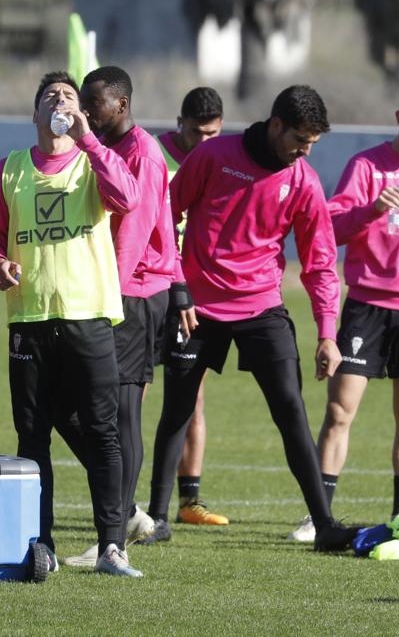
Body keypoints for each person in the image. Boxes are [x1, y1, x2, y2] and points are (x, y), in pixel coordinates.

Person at [145, 84, 357, 550]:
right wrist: (177, 287)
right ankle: (157, 519)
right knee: (176, 411)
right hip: (196, 309)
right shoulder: (214, 156)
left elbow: (320, 262)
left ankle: (324, 526)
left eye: (312, 145)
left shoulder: (303, 180)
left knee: (291, 411)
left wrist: (327, 333)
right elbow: (164, 217)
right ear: (276, 125)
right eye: (300, 140)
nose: (304, 151)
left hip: (262, 306)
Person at [0, 71, 143, 577]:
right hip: (29, 318)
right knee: (32, 437)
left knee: (102, 431)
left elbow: (129, 198)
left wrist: (89, 138)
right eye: (49, 96)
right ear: (34, 115)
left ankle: (112, 545)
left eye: (68, 96)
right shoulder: (11, 170)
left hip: (87, 315)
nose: (59, 100)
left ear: (82, 114)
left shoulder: (94, 162)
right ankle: (38, 544)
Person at [291, 83, 399, 542]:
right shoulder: (367, 166)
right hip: (367, 306)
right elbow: (328, 228)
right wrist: (371, 210)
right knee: (339, 411)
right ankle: (319, 517)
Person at [60, 65, 173, 567]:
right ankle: (125, 510)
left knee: (123, 412)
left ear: (121, 105)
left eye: (94, 103)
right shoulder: (108, 147)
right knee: (67, 406)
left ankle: (116, 540)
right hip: (110, 292)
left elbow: (133, 233)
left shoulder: (144, 153)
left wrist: (108, 299)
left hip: (133, 293)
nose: (86, 111)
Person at [151, 85, 229, 528]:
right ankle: (125, 499)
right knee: (132, 393)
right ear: (179, 123)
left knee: (191, 399)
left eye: (213, 133)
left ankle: (189, 502)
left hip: (191, 294)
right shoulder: (152, 154)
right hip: (149, 287)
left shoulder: (220, 159)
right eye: (198, 132)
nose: (205, 142)